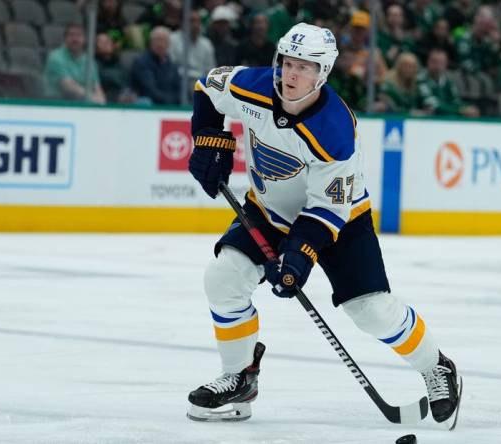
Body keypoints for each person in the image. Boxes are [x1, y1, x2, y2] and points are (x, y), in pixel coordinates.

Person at [185, 22, 462, 428]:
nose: (291, 74)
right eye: (287, 62)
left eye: (305, 67)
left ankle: (436, 367)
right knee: (223, 278)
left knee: (370, 311)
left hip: (341, 219)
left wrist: (297, 259)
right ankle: (241, 377)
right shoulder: (252, 85)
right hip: (269, 210)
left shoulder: (335, 130)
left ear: (323, 74)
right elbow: (207, 87)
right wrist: (210, 139)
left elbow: (325, 211)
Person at [44, 23, 106, 103]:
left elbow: (97, 87)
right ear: (65, 39)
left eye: (79, 35)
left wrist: (102, 103)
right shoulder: (55, 57)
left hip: (82, 105)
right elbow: (69, 87)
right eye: (71, 35)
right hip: (56, 105)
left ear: (84, 39)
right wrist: (94, 100)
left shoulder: (89, 61)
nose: (75, 39)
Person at [131, 26, 181, 105]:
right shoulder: (142, 62)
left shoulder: (172, 65)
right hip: (149, 104)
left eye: (164, 41)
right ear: (151, 42)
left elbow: (179, 88)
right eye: (158, 40)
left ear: (168, 44)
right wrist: (170, 101)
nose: (160, 44)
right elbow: (149, 90)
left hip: (170, 103)